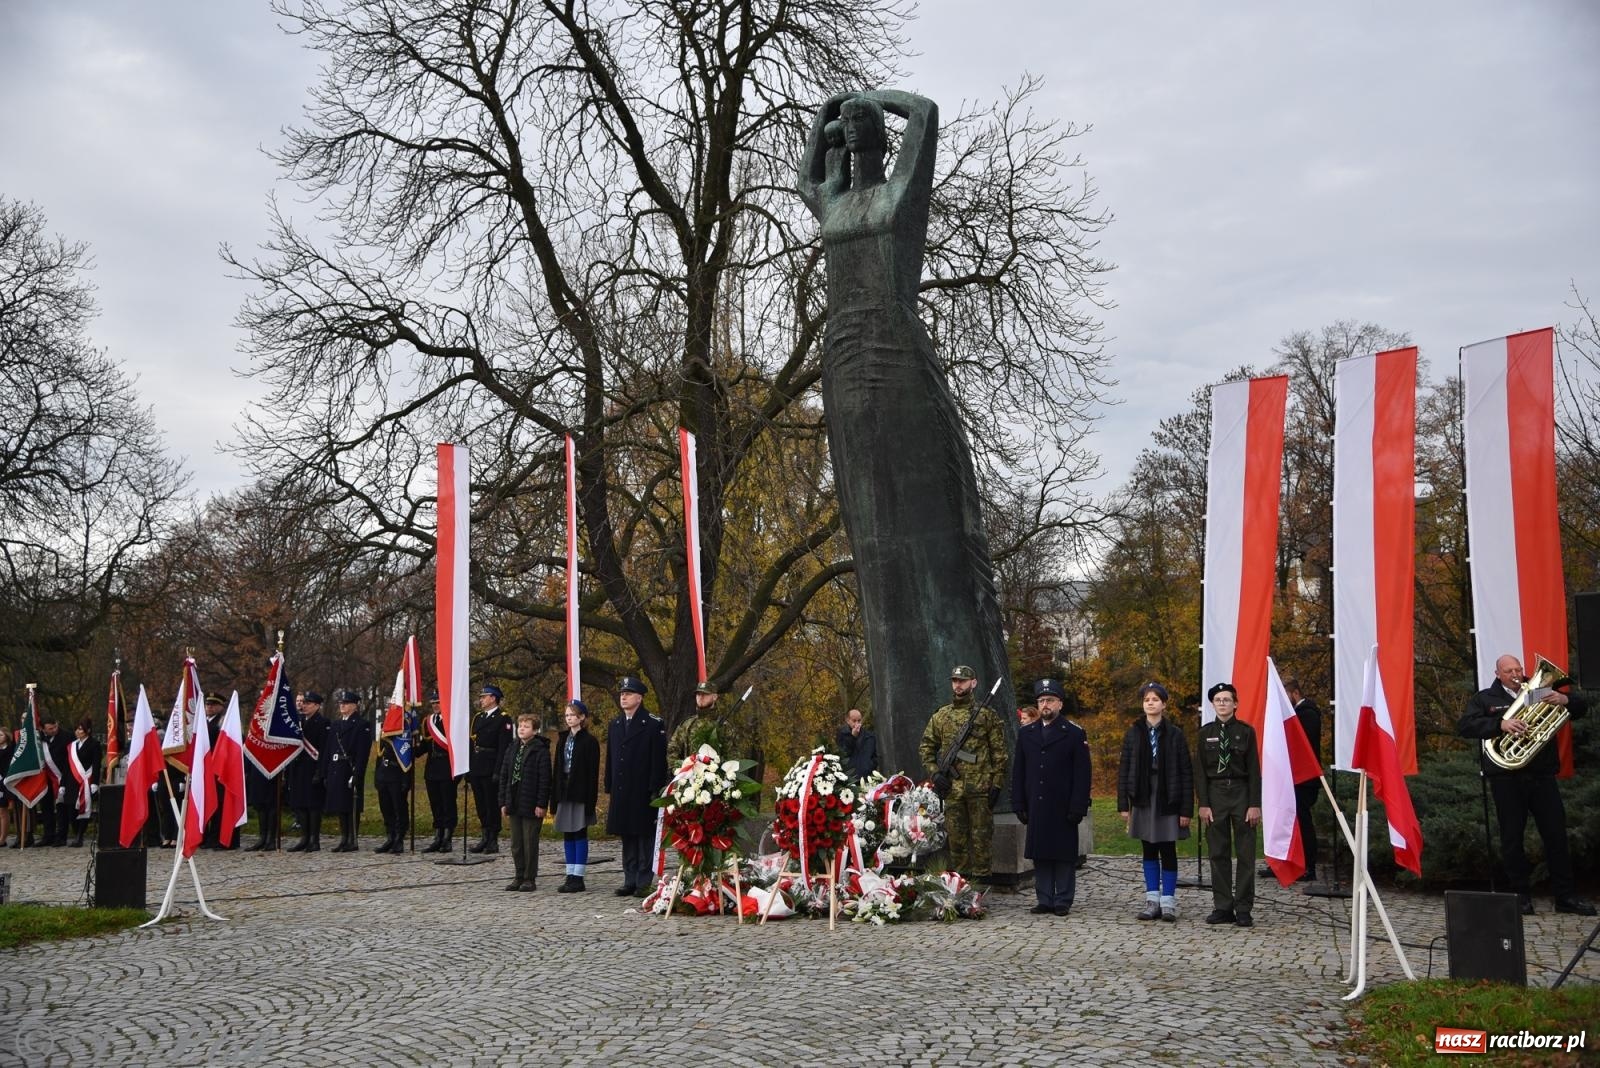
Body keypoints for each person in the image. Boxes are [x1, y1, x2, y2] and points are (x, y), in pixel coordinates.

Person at [797, 90, 1012, 769]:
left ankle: (967, 723)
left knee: (927, 536)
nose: (853, 127)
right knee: (877, 552)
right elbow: (807, 174)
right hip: (843, 358)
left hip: (896, 353)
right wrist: (828, 111)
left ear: (879, 137)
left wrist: (871, 102)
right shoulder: (833, 200)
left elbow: (924, 114)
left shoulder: (900, 196)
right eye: (847, 124)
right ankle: (899, 755)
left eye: (863, 122)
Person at [1458, 654, 1596, 916]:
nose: (1516, 674)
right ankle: (1519, 896)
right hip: (1506, 778)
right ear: (1497, 673)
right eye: (1509, 670)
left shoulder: (1539, 691)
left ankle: (1565, 897)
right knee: (1512, 839)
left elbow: (1580, 708)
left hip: (1542, 776)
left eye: (1519, 668)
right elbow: (1465, 726)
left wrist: (1564, 699)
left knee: (1556, 836)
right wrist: (1501, 724)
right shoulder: (1486, 699)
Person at [918, 664, 1008, 882]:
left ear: (973, 683)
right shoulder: (941, 716)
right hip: (952, 791)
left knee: (981, 840)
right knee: (956, 842)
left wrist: (996, 784)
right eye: (955, 681)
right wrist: (936, 774)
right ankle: (960, 887)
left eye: (963, 681)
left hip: (980, 788)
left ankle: (981, 889)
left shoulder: (986, 716)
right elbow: (926, 748)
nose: (958, 685)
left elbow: (1000, 753)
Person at [1011, 679, 1091, 917]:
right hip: (1036, 801)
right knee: (1041, 852)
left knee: (1064, 854)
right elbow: (1019, 771)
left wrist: (1078, 805)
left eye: (1050, 700)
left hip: (1063, 803)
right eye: (1041, 700)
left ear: (1060, 704)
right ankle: (1044, 898)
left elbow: (1082, 774)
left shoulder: (1074, 733)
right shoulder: (1026, 733)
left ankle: (1063, 899)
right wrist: (1018, 802)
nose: (1045, 704)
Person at [1118, 681, 1194, 922]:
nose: (1150, 703)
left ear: (1164, 703)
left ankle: (1168, 901)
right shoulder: (1134, 733)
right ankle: (1152, 899)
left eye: (1155, 699)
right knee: (1148, 848)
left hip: (1167, 796)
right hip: (1142, 797)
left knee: (1168, 849)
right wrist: (1123, 804)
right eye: (1146, 700)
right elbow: (1124, 768)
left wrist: (1185, 808)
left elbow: (1185, 772)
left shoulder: (1175, 734)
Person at [1196, 683, 1261, 928]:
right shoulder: (1205, 733)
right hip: (1215, 793)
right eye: (1218, 700)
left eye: (1227, 699)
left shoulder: (1246, 732)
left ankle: (1243, 907)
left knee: (1245, 853)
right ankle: (1223, 906)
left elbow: (1255, 770)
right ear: (1213, 704)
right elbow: (1200, 772)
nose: (1222, 703)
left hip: (1241, 792)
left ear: (1235, 704)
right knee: (1218, 852)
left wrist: (1254, 804)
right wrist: (1203, 803)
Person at [605, 675, 667, 897]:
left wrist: (655, 788)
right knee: (627, 835)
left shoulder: (652, 723)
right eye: (622, 694)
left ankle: (643, 880)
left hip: (642, 789)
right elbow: (612, 757)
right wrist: (609, 785)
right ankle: (629, 878)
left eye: (628, 694)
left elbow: (658, 760)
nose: (623, 697)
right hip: (622, 789)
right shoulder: (616, 724)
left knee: (644, 836)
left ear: (639, 698)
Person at [498, 712, 551, 891]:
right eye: (520, 725)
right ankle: (518, 875)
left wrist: (541, 804)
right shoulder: (512, 748)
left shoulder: (540, 751)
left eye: (526, 726)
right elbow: (505, 775)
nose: (522, 729)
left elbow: (545, 779)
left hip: (531, 803)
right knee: (516, 843)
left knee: (529, 841)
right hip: (514, 801)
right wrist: (503, 802)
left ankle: (529, 877)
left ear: (535, 730)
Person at [552, 699, 600, 893]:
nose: (569, 718)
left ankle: (579, 876)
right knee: (567, 832)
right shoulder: (563, 739)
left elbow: (592, 773)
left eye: (572, 715)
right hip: (564, 789)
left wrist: (590, 800)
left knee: (579, 831)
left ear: (581, 717)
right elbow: (557, 768)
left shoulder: (589, 742)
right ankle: (569, 873)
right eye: (567, 715)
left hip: (580, 791)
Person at [320, 690, 370, 853]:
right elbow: (328, 749)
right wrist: (326, 771)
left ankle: (352, 839)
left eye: (346, 703)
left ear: (355, 706)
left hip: (350, 768)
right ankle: (343, 838)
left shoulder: (361, 725)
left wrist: (358, 774)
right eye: (341, 703)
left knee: (351, 805)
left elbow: (363, 753)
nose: (342, 706)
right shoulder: (336, 725)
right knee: (340, 806)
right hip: (336, 768)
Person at [1283, 676, 1322, 883]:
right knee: (1288, 821)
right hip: (1291, 777)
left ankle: (1309, 866)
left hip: (1304, 779)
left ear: (1295, 693)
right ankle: (1287, 862)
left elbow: (1302, 742)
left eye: (1286, 695)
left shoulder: (1308, 714)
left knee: (1303, 821)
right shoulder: (1298, 714)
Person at [469, 684, 514, 854]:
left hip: (491, 764)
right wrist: (469, 768)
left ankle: (493, 838)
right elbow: (472, 743)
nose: (481, 700)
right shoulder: (478, 718)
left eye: (484, 696)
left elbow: (504, 747)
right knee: (481, 803)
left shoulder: (503, 718)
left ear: (493, 698)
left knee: (491, 803)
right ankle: (484, 835)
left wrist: (498, 771)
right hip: (477, 765)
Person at [417, 690, 460, 853]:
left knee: (448, 803)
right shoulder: (428, 722)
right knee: (435, 803)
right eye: (433, 703)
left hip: (447, 767)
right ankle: (438, 835)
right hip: (432, 768)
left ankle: (447, 838)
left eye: (438, 702)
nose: (435, 705)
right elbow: (424, 747)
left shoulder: (452, 721)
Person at [286, 691, 328, 852]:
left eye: (308, 703)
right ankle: (304, 838)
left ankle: (314, 840)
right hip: (298, 769)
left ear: (317, 705)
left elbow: (324, 750)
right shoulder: (298, 722)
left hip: (313, 769)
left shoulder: (323, 722)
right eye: (304, 703)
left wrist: (320, 772)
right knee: (300, 804)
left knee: (313, 806)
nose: (304, 706)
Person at [372, 712, 413, 854]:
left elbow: (407, 755)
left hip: (397, 773)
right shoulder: (385, 727)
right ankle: (390, 837)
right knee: (386, 808)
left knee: (399, 808)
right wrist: (377, 775)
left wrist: (406, 779)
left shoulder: (404, 727)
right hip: (384, 772)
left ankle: (399, 839)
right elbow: (379, 754)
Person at [62, 718, 101, 847]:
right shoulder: (72, 746)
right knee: (70, 808)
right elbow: (67, 766)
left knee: (84, 807)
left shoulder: (94, 744)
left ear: (87, 730)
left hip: (86, 780)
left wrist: (95, 782)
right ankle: (75, 832)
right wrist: (62, 784)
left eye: (80, 729)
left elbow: (96, 764)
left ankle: (80, 836)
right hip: (72, 781)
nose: (77, 732)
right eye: (76, 729)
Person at [669, 683, 720, 764]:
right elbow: (672, 749)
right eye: (698, 694)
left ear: (714, 697)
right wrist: (677, 768)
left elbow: (733, 755)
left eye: (705, 694)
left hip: (716, 773)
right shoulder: (687, 724)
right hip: (688, 774)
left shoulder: (723, 725)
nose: (701, 697)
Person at [41, 715, 69, 846]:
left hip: (61, 777)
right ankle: (48, 835)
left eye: (54, 727)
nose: (53, 730)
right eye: (49, 729)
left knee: (61, 807)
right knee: (46, 807)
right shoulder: (40, 738)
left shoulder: (66, 736)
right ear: (43, 729)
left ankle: (61, 836)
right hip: (45, 778)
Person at [835, 707, 879, 784]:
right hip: (850, 778)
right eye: (854, 721)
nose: (857, 724)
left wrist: (870, 766)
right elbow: (844, 753)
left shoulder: (869, 736)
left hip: (867, 777)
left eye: (859, 720)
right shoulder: (842, 735)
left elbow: (874, 755)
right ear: (848, 720)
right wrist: (853, 737)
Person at [0, 726, 14, 847]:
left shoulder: (10, 750)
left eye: (1, 735)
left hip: (4, 782)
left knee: (2, 811)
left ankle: (2, 838)